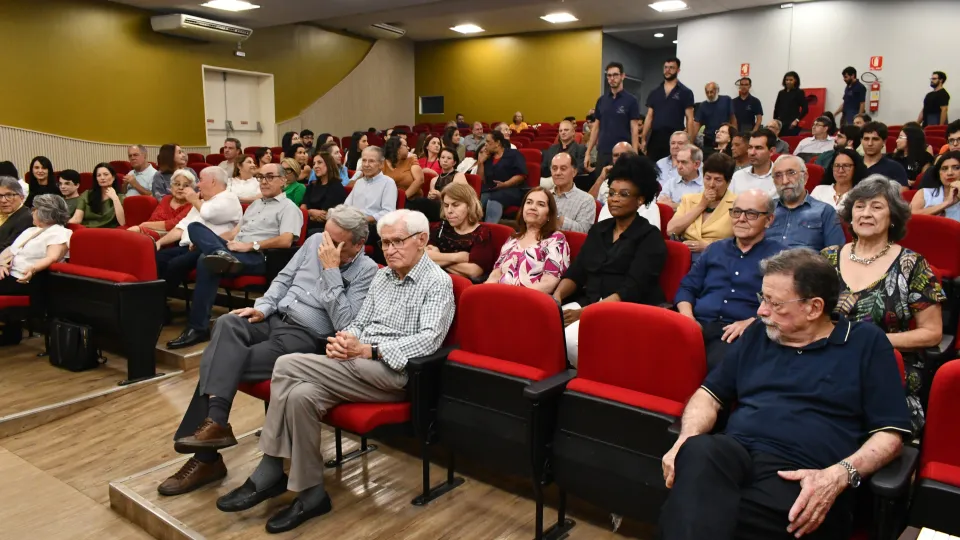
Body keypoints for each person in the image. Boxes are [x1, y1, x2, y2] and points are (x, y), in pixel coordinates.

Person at [216, 209, 454, 533]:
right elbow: (357, 322)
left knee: (286, 365)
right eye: (385, 243)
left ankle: (270, 467)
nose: (390, 249)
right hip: (357, 363)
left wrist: (370, 350)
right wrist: (345, 340)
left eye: (398, 241)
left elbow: (429, 342)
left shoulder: (438, 283)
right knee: (300, 396)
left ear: (422, 240)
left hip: (394, 372)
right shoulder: (385, 277)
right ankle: (313, 493)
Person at [660, 248, 912, 540]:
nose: (761, 311)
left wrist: (838, 475)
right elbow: (709, 394)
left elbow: (891, 436)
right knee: (699, 452)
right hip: (735, 456)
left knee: (701, 511)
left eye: (775, 303)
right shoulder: (759, 333)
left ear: (814, 307)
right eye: (762, 298)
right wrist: (685, 439)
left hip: (804, 474)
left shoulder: (866, 344)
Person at [157, 205, 378, 496]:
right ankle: (216, 425)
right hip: (274, 317)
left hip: (305, 336)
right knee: (227, 322)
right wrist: (261, 308)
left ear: (359, 244)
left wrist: (331, 271)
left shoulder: (368, 271)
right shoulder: (313, 241)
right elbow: (284, 279)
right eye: (326, 236)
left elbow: (345, 324)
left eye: (336, 242)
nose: (325, 245)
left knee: (218, 360)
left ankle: (207, 455)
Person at [822, 177, 945, 431]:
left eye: (876, 207)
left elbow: (932, 334)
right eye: (859, 206)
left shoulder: (912, 265)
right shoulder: (826, 258)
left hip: (885, 360)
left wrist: (869, 341)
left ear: (893, 218)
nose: (866, 213)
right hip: (824, 355)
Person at [166, 163, 303, 349]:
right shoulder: (254, 205)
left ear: (283, 181)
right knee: (195, 228)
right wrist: (209, 242)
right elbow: (234, 233)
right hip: (234, 250)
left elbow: (286, 240)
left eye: (269, 177)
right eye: (261, 177)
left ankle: (197, 328)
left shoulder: (289, 208)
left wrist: (250, 245)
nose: (264, 182)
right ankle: (220, 254)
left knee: (206, 261)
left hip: (259, 257)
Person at [552, 154, 666, 366]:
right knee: (544, 327)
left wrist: (584, 314)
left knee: (570, 340)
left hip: (625, 310)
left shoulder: (650, 237)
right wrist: (557, 298)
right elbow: (577, 272)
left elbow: (632, 289)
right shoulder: (599, 230)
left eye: (623, 194)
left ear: (640, 199)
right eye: (611, 193)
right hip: (589, 301)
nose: (614, 199)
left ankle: (590, 386)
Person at [675, 189, 783, 371]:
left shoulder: (780, 257)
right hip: (698, 323)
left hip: (738, 331)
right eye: (736, 212)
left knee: (711, 367)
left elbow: (783, 305)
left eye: (751, 214)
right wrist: (687, 319)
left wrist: (752, 322)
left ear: (769, 220)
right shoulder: (715, 249)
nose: (741, 219)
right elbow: (687, 287)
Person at [155, 166, 243, 308]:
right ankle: (158, 303)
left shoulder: (229, 199)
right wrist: (159, 242)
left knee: (175, 265)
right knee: (158, 257)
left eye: (201, 180)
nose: (197, 185)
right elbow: (182, 226)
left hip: (207, 250)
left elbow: (208, 214)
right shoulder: (204, 201)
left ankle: (156, 305)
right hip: (186, 247)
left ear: (213, 181)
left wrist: (193, 200)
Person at [486, 187, 569, 293]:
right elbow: (496, 273)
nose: (533, 207)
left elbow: (548, 283)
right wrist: (486, 292)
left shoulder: (555, 239)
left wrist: (514, 297)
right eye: (529, 202)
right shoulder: (513, 238)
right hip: (499, 295)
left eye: (540, 204)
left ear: (549, 214)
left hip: (528, 301)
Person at [667, 153, 738, 262]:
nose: (711, 184)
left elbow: (741, 242)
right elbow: (671, 230)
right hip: (685, 257)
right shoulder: (689, 200)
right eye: (708, 178)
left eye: (718, 180)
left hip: (719, 258)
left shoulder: (737, 204)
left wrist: (708, 246)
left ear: (728, 182)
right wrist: (701, 205)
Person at [766, 155, 846, 250]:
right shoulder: (766, 209)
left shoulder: (824, 211)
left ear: (805, 177)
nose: (785, 181)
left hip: (807, 263)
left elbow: (835, 252)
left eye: (791, 173)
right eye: (778, 175)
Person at [0, 194, 72, 297]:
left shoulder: (59, 232)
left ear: (45, 213)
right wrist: (1, 264)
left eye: (34, 209)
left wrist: (33, 269)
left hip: (25, 279)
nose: (31, 212)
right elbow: (11, 250)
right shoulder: (31, 230)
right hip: (7, 274)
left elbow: (52, 257)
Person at [426, 183, 495, 279]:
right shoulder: (441, 227)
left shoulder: (482, 233)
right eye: (446, 205)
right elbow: (423, 256)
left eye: (455, 205)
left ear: (469, 206)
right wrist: (458, 257)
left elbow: (474, 271)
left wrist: (437, 258)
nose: (449, 210)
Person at [345, 146, 398, 264]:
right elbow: (346, 206)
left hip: (373, 227)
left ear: (381, 164)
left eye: (371, 161)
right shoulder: (359, 183)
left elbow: (388, 212)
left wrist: (364, 219)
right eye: (364, 160)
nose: (366, 164)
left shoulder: (388, 183)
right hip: (354, 224)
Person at [586, 62, 643, 170]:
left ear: (622, 76)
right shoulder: (601, 100)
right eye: (609, 75)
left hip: (623, 153)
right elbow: (596, 128)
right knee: (601, 184)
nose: (612, 78)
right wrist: (588, 152)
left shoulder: (631, 100)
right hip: (603, 152)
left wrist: (635, 154)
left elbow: (634, 128)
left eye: (615, 75)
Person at [641, 58, 695, 162]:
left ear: (678, 70)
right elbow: (649, 116)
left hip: (675, 138)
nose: (667, 70)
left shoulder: (686, 92)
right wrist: (643, 138)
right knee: (653, 169)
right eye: (665, 67)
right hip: (655, 138)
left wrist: (690, 142)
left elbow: (690, 119)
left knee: (676, 167)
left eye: (671, 68)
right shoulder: (655, 92)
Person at [127, 169, 196, 241]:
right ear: (171, 186)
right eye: (177, 184)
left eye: (186, 185)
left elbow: (174, 224)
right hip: (153, 231)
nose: (180, 188)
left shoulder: (192, 204)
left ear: (192, 189)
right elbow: (153, 219)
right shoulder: (166, 199)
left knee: (133, 232)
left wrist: (144, 225)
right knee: (128, 234)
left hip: (171, 237)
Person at [405, 147, 468, 223]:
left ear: (454, 162)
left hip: (451, 208)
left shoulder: (458, 176)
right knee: (418, 203)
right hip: (436, 209)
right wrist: (431, 196)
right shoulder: (434, 180)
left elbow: (464, 197)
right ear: (439, 160)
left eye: (449, 158)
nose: (445, 160)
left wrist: (440, 195)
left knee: (420, 202)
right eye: (443, 157)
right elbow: (432, 200)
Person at [478, 130, 527, 224]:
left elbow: (521, 175)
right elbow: (481, 180)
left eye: (488, 141)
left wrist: (505, 184)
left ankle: (490, 229)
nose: (485, 144)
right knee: (481, 198)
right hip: (492, 189)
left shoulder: (514, 154)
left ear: (497, 143)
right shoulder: (488, 158)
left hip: (513, 189)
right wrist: (481, 163)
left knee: (496, 197)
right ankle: (474, 227)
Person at [301, 153, 348, 237]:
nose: (315, 166)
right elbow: (302, 209)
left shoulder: (336, 187)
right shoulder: (312, 185)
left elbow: (325, 216)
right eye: (314, 163)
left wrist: (307, 213)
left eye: (319, 162)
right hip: (307, 223)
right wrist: (310, 212)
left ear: (329, 164)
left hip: (326, 228)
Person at [549, 152, 596, 233]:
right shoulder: (544, 195)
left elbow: (584, 231)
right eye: (554, 168)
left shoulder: (586, 200)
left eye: (563, 168)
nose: (557, 173)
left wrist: (559, 220)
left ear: (574, 172)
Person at [810, 148, 868, 212]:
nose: (840, 170)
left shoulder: (861, 195)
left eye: (846, 165)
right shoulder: (819, 190)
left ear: (856, 168)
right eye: (837, 165)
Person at [70, 163, 125, 228]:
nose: (102, 178)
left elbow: (122, 222)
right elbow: (77, 219)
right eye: (99, 175)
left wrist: (115, 198)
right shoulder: (87, 194)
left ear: (113, 177)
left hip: (108, 233)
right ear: (96, 179)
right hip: (87, 231)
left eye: (106, 174)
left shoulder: (121, 197)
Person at [911, 151, 960, 221]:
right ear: (939, 173)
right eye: (944, 168)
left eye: (956, 168)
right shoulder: (924, 193)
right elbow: (911, 216)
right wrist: (947, 203)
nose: (950, 173)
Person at [730, 128, 777, 196]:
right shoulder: (738, 176)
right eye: (750, 147)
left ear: (771, 151)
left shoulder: (782, 178)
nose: (752, 153)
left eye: (758, 148)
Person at [861, 122, 908, 186]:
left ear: (884, 142)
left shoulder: (895, 168)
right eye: (866, 139)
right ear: (861, 141)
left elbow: (902, 192)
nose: (870, 143)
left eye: (875, 139)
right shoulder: (852, 165)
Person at [659, 145, 704, 209]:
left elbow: (699, 208)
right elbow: (660, 203)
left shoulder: (705, 185)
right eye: (678, 162)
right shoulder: (671, 183)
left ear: (696, 164)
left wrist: (672, 205)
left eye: (684, 162)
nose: (679, 166)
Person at [695, 82, 735, 149]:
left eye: (711, 92)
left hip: (724, 139)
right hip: (709, 139)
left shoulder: (726, 100)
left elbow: (733, 118)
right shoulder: (703, 106)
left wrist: (735, 135)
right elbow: (697, 124)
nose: (709, 94)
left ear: (717, 90)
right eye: (707, 92)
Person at [0, 178, 32, 252]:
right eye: (0, 196)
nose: (3, 200)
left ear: (21, 197)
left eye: (9, 195)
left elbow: (9, 248)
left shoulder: (26, 218)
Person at [773, 71, 808, 136]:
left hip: (792, 123)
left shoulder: (799, 92)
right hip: (780, 123)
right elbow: (776, 108)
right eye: (787, 80)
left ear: (795, 81)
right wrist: (774, 121)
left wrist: (796, 120)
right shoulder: (781, 93)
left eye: (791, 80)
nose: (788, 82)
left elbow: (805, 109)